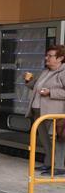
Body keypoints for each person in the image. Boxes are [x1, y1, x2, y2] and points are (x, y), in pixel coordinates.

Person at [24, 44, 65, 175]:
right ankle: (48, 163)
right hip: (39, 111)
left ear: (60, 58)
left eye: (50, 56)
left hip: (54, 112)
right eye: (47, 55)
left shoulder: (63, 73)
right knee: (44, 139)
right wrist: (29, 81)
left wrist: (50, 92)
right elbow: (37, 87)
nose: (46, 58)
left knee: (56, 139)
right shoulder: (46, 71)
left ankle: (59, 167)